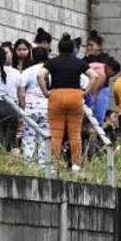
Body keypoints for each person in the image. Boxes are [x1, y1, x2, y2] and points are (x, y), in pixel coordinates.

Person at [39, 35, 93, 171]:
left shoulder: (52, 62)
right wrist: (85, 92)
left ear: (59, 48)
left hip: (56, 96)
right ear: (73, 49)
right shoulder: (79, 62)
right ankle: (76, 163)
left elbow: (40, 75)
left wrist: (46, 92)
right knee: (75, 134)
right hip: (75, 96)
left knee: (56, 134)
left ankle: (55, 163)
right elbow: (95, 76)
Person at [19, 47, 51, 169]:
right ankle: (43, 166)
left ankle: (29, 165)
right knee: (45, 137)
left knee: (29, 138)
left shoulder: (27, 71)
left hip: (31, 108)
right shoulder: (50, 72)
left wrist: (22, 108)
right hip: (46, 109)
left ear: (33, 57)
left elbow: (22, 93)